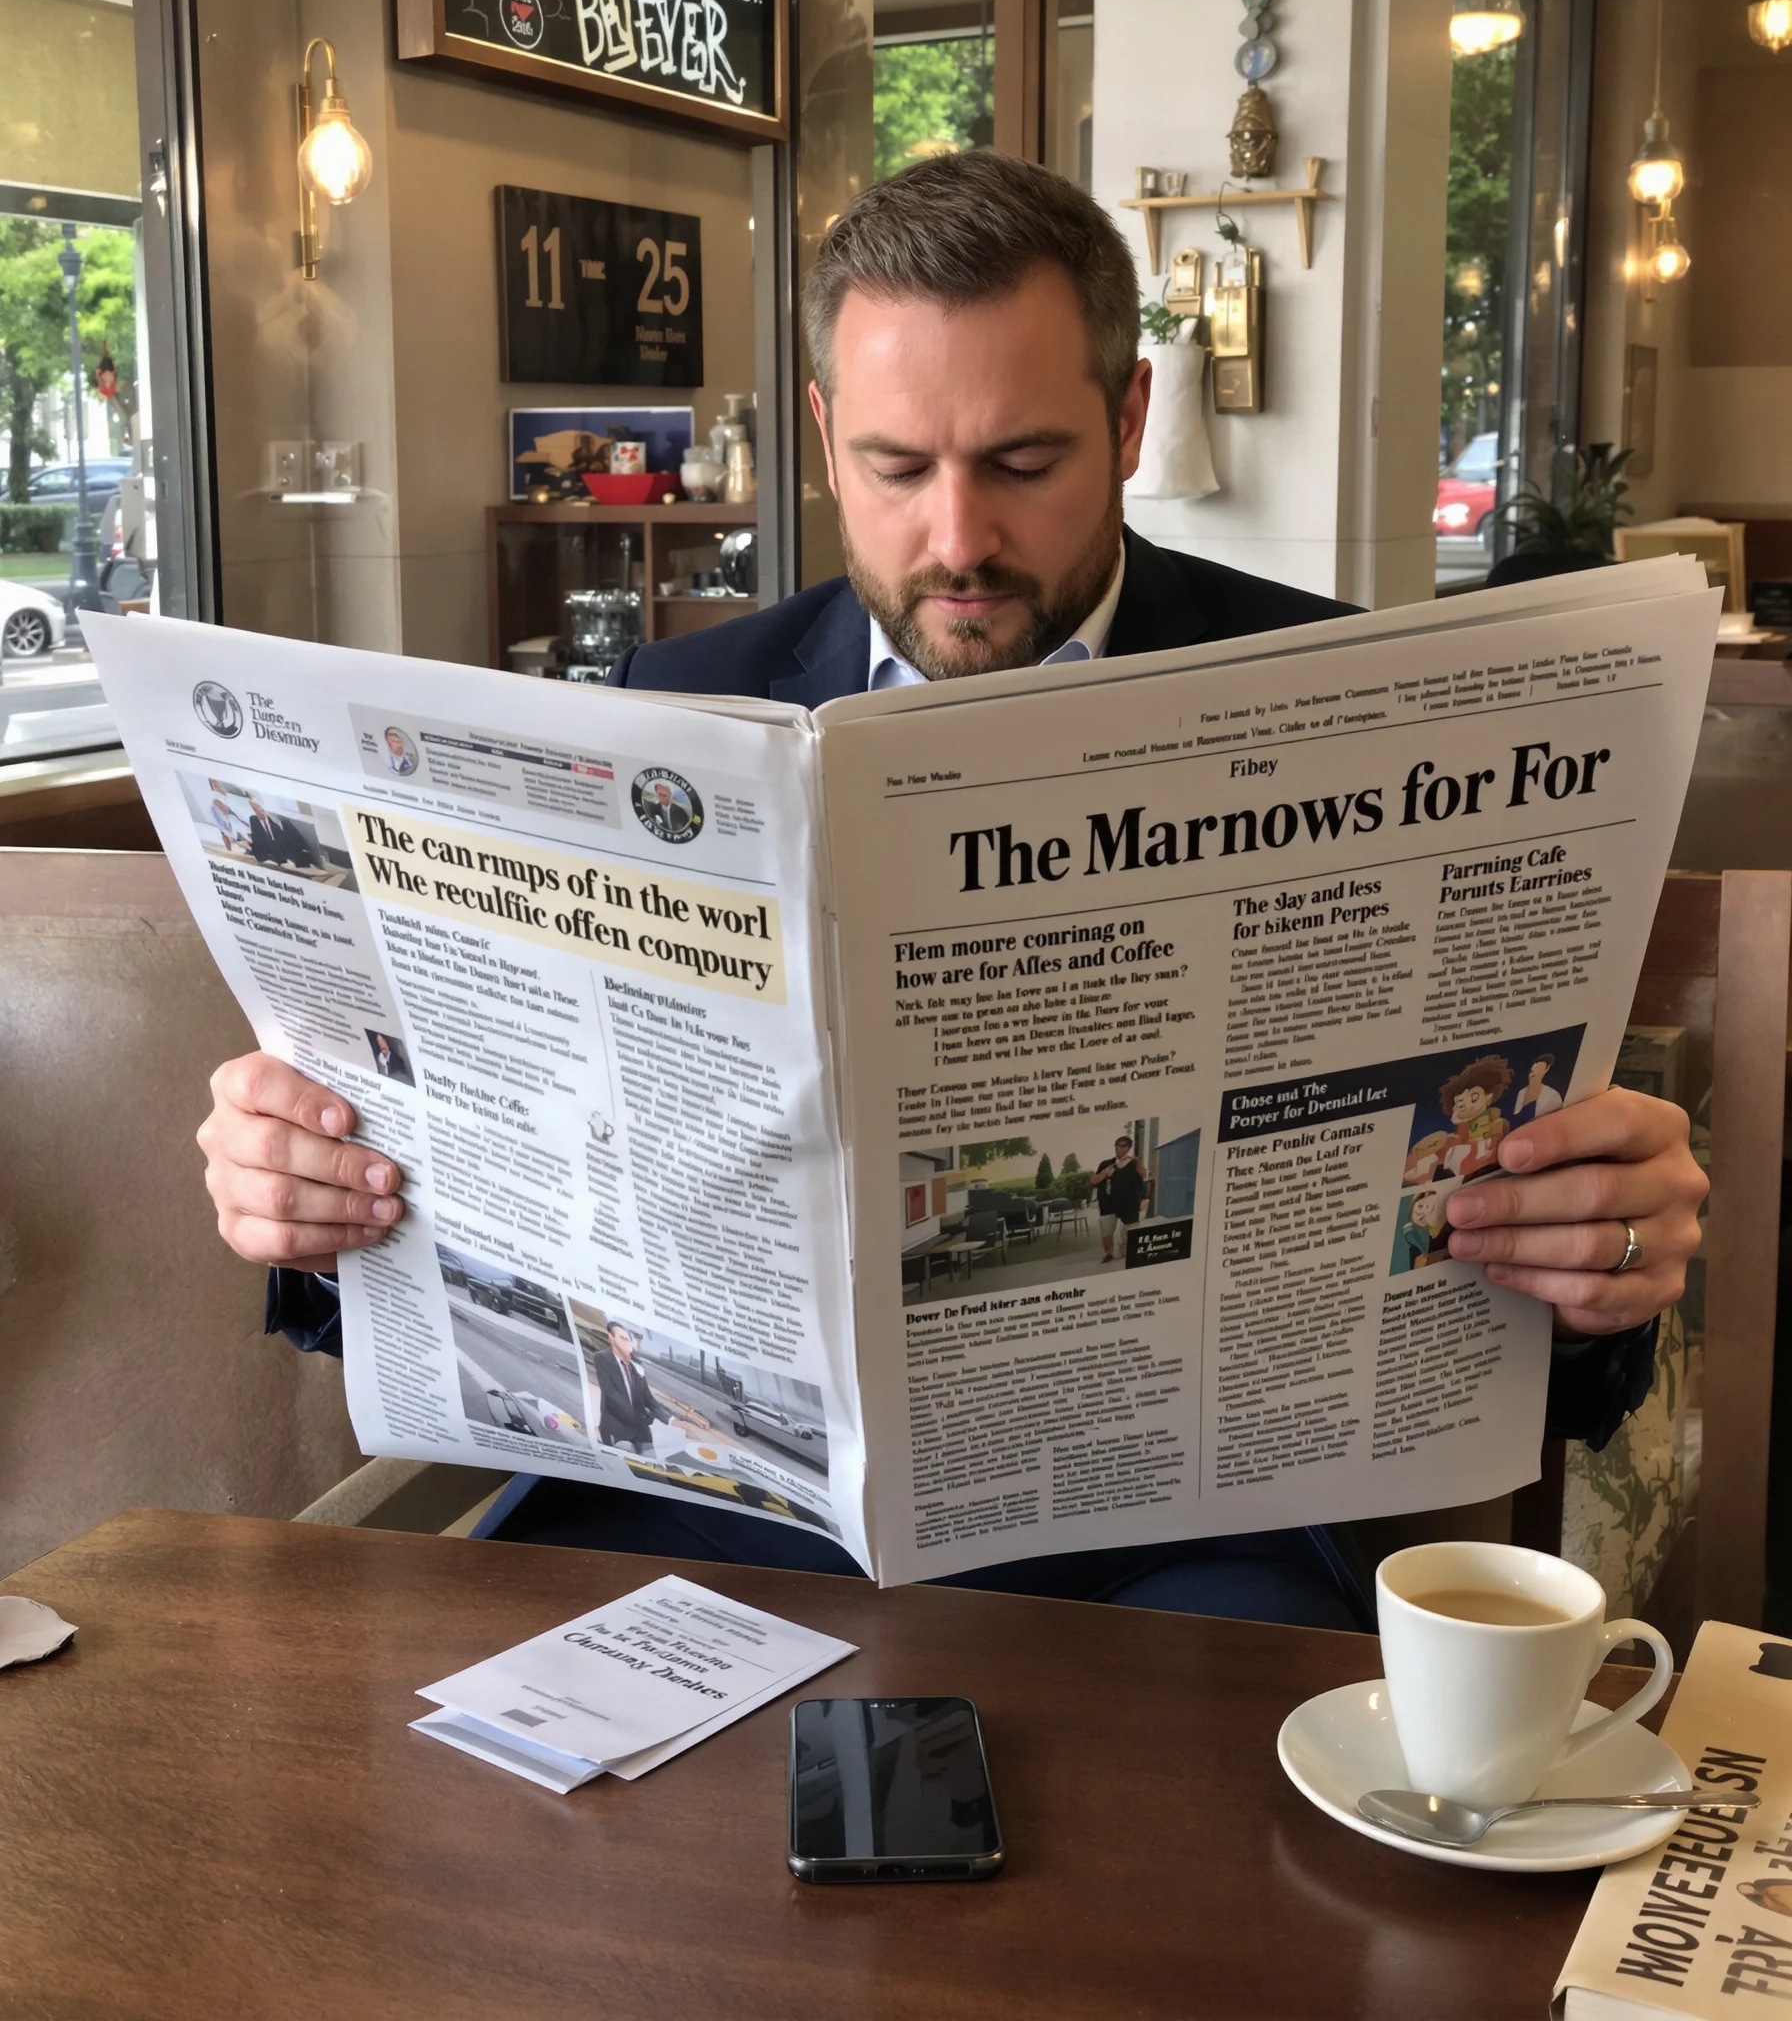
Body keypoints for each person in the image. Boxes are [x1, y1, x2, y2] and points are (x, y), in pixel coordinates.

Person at [197, 152, 1707, 1629]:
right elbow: (514, 1148)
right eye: (895, 468)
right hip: (712, 1498)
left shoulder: (1342, 695)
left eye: (1023, 464)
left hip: (1164, 1534)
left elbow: (1499, 1292)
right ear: (820, 430)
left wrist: (1599, 1260)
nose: (958, 539)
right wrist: (318, 1192)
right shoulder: (675, 697)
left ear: (1128, 420)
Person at [590, 1323, 706, 1455]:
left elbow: (649, 1400)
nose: (628, 1343)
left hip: (640, 1431)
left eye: (628, 1339)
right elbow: (613, 1397)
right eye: (622, 1338)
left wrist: (672, 1421)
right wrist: (647, 1419)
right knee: (626, 1450)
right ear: (611, 1338)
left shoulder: (636, 1365)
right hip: (617, 1429)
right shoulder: (602, 1359)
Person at [1092, 1134, 1150, 1262]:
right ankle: (1108, 1253)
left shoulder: (1134, 1163)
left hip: (1129, 1204)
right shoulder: (1106, 1163)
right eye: (1117, 1145)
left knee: (1132, 1229)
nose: (1119, 1148)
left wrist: (1145, 1199)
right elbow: (1093, 1181)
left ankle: (1128, 1250)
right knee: (1106, 1231)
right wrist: (1105, 1173)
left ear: (1128, 1147)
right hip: (1108, 1204)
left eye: (1122, 1146)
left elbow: (1144, 1175)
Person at [244, 797, 320, 870]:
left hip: (289, 856)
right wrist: (251, 845)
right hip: (271, 859)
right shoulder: (254, 821)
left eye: (259, 807)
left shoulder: (280, 821)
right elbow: (259, 843)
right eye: (254, 809)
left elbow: (294, 843)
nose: (257, 810)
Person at [1511, 1054, 1564, 1123]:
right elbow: (1517, 1116)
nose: (1533, 1074)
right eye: (1532, 1071)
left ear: (1546, 1069)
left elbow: (1557, 1119)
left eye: (1539, 1068)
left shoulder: (1553, 1095)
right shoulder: (1522, 1092)